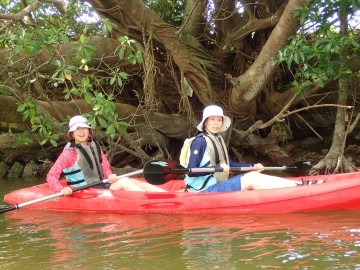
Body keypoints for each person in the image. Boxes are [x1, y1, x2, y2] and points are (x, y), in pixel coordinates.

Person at [184, 105, 323, 193]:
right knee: (251, 179)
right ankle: (300, 187)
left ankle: (298, 184)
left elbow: (230, 164)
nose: (216, 123)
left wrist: (253, 166)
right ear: (206, 122)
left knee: (254, 174)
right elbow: (191, 171)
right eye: (212, 119)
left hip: (217, 185)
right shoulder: (200, 142)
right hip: (204, 190)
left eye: (219, 120)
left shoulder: (217, 138)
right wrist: (217, 169)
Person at [46, 115, 166, 195]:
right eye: (77, 129)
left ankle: (167, 196)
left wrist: (110, 175)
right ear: (72, 134)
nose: (81, 131)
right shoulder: (69, 153)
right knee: (124, 182)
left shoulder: (94, 146)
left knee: (131, 181)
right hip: (85, 191)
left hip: (100, 185)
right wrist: (61, 189)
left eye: (84, 128)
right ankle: (151, 201)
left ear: (89, 131)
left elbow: (105, 166)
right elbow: (51, 176)